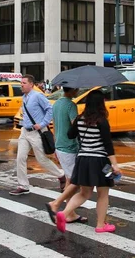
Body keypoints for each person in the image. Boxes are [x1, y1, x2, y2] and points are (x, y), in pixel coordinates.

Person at [55, 90, 121, 234]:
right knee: (103, 194)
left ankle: (64, 213)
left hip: (83, 160)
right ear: (100, 104)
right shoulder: (102, 121)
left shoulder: (80, 119)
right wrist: (114, 164)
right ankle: (100, 225)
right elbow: (107, 144)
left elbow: (70, 134)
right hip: (102, 162)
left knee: (84, 193)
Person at [9, 74, 65, 196]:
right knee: (20, 158)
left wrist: (43, 123)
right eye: (21, 83)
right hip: (25, 131)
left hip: (37, 132)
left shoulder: (38, 96)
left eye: (24, 83)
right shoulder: (24, 97)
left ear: (31, 84)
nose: (21, 85)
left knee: (42, 159)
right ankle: (23, 185)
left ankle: (61, 175)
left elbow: (50, 109)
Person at [44, 87, 87, 224]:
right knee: (74, 181)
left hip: (60, 145)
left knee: (70, 179)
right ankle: (58, 205)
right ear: (73, 90)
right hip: (70, 146)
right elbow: (75, 126)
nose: (78, 90)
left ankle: (70, 213)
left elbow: (55, 125)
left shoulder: (56, 104)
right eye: (76, 89)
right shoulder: (70, 105)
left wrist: (56, 145)